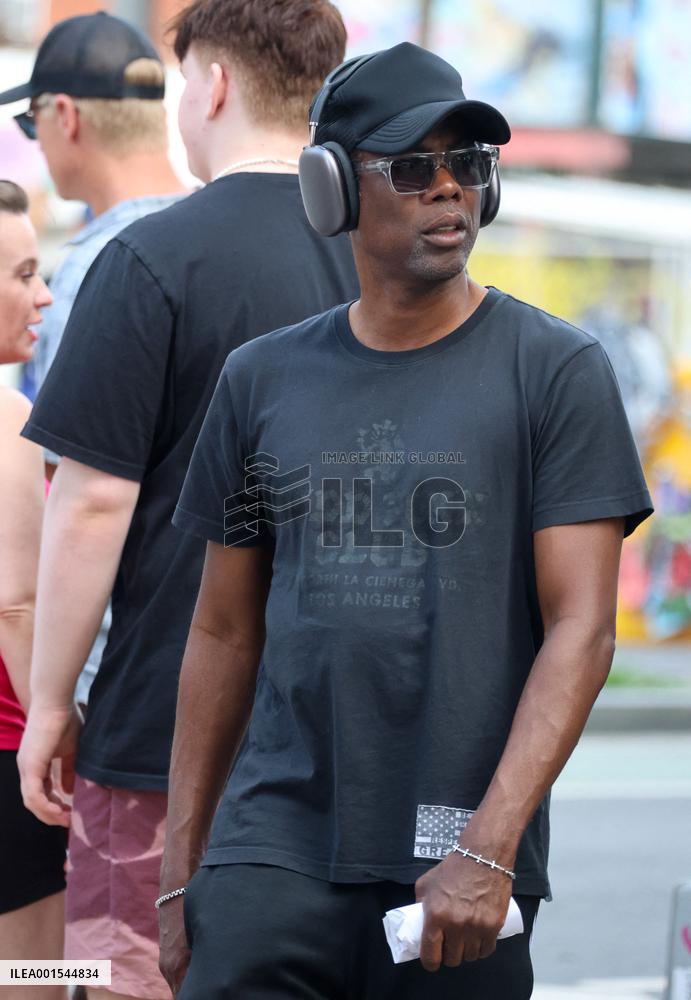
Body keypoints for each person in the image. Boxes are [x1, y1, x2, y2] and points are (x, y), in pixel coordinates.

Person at [158, 42, 654, 999]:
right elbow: (222, 629)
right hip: (271, 851)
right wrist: (183, 870)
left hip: (459, 864)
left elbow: (582, 629)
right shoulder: (260, 379)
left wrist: (492, 844)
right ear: (331, 190)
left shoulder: (553, 372)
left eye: (468, 165)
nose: (448, 191)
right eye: (413, 167)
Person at [17, 1, 357, 997]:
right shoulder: (390, 257)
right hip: (345, 740)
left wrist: (47, 702)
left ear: (209, 82)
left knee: (129, 971)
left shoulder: (148, 260)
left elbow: (90, 503)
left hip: (162, 735)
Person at [0, 10, 185, 708]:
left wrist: (55, 707)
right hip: (211, 654)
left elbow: (66, 499)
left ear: (64, 116)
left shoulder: (98, 271)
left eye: (29, 125)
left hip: (106, 669)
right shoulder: (219, 243)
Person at [0, 180, 65, 999]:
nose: (43, 292)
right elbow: (16, 607)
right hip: (10, 759)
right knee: (38, 979)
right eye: (21, 274)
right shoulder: (11, 430)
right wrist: (65, 737)